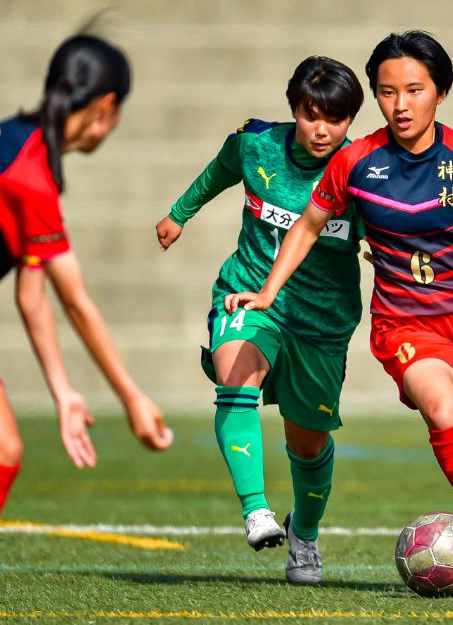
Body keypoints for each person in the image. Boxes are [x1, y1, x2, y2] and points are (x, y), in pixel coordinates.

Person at [225, 31, 453, 590]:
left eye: (414, 90)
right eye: (387, 92)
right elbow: (309, 226)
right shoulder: (357, 161)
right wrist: (267, 292)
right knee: (440, 407)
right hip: (406, 323)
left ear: (441, 93)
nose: (401, 104)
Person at [155, 56, 365, 585]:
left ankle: (306, 535)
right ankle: (256, 511)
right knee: (236, 376)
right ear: (293, 109)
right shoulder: (255, 146)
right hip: (246, 295)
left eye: (335, 119)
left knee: (308, 441)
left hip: (322, 320)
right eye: (310, 114)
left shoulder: (363, 172)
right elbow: (217, 172)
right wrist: (178, 214)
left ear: (351, 120)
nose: (321, 129)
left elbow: (394, 231)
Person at [0, 33, 173, 516]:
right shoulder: (29, 173)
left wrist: (64, 393)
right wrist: (132, 397)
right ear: (106, 107)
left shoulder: (19, 141)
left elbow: (31, 296)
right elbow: (73, 301)